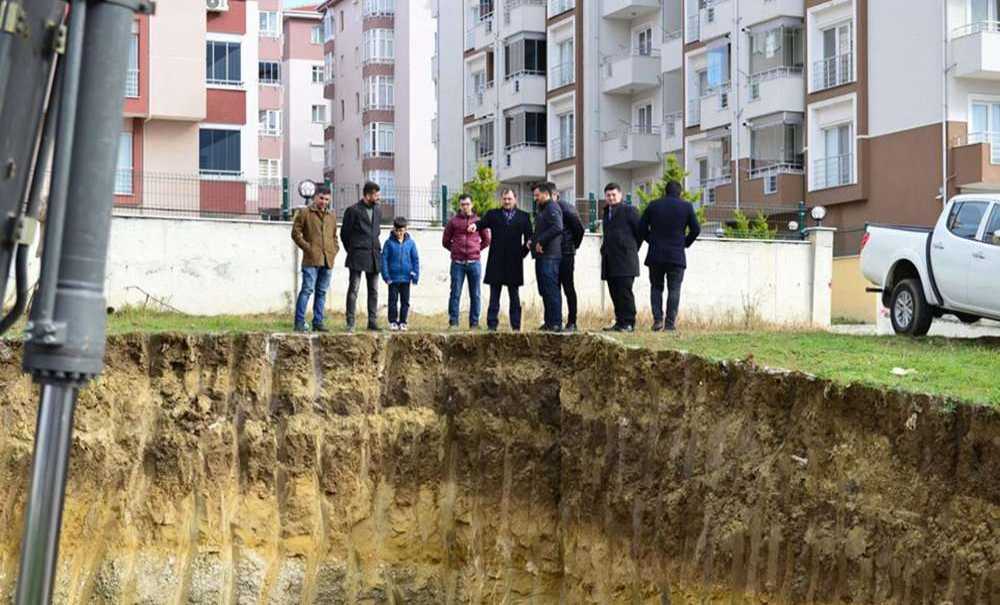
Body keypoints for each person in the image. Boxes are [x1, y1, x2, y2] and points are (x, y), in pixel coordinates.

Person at [639, 180, 701, 331]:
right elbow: (696, 229)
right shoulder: (686, 207)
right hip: (676, 255)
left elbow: (640, 227)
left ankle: (657, 320)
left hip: (655, 255)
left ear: (665, 191)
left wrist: (651, 240)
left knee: (656, 287)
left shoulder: (653, 205)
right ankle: (670, 324)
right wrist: (685, 243)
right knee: (674, 289)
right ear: (680, 192)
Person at [468, 188, 532, 331]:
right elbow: (482, 223)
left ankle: (515, 326)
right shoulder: (493, 214)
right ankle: (492, 325)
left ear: (515, 199)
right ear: (501, 199)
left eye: (509, 199)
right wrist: (474, 226)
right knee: (494, 296)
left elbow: (529, 238)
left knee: (514, 296)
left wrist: (522, 254)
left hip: (514, 263)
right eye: (504, 199)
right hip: (496, 261)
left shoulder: (524, 217)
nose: (507, 201)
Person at [290, 185, 338, 332]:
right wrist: (308, 248)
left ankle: (318, 322)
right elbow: (295, 234)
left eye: (327, 199)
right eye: (321, 198)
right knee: (307, 289)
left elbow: (334, 236)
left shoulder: (332, 216)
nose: (324, 202)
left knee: (322, 292)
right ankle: (299, 322)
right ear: (315, 197)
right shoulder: (305, 213)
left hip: (327, 259)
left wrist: (334, 250)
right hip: (311, 260)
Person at [442, 194, 490, 329]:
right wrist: (456, 250)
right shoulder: (453, 222)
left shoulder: (479, 221)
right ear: (459, 206)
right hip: (457, 263)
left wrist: (476, 250)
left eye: (467, 204)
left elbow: (486, 240)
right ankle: (453, 323)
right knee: (455, 293)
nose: (465, 207)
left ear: (472, 205)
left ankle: (474, 324)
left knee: (475, 294)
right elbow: (445, 241)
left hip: (474, 263)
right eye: (462, 204)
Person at [341, 181, 383, 332]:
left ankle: (372, 321)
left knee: (374, 290)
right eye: (376, 195)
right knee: (354, 289)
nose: (379, 197)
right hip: (357, 255)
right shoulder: (353, 210)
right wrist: (352, 250)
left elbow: (376, 232)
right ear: (367, 195)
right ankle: (350, 322)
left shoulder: (378, 210)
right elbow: (344, 234)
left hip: (374, 255)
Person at [600, 182, 641, 332]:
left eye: (613, 195)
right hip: (610, 260)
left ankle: (629, 322)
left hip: (625, 260)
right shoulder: (606, 212)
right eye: (608, 195)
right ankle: (620, 321)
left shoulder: (630, 211)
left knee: (625, 292)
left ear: (620, 195)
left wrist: (630, 248)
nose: (611, 198)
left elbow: (640, 232)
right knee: (614, 292)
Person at [549, 183, 585, 332]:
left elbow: (579, 230)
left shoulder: (567, 208)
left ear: (556, 195)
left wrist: (572, 246)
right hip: (551, 254)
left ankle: (572, 321)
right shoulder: (545, 209)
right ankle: (554, 321)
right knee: (552, 288)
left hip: (566, 254)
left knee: (568, 287)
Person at [530, 183, 564, 332]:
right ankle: (549, 321)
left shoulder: (552, 208)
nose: (535, 198)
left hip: (550, 256)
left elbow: (558, 227)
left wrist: (541, 241)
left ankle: (556, 322)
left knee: (551, 290)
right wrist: (533, 241)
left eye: (537, 195)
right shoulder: (543, 209)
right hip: (542, 256)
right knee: (544, 290)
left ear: (545, 194)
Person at [380, 216, 419, 331]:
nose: (399, 233)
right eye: (397, 231)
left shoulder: (411, 243)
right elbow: (384, 260)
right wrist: (386, 276)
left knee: (405, 301)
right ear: (393, 229)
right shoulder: (388, 243)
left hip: (406, 278)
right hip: (393, 278)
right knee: (392, 300)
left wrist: (415, 275)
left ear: (406, 229)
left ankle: (403, 322)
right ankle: (393, 321)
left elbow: (415, 259)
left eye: (401, 231)